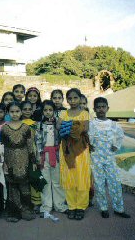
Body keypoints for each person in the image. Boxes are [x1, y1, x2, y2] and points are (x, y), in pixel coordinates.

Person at [88, 97, 130, 219]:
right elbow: (87, 138)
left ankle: (119, 208)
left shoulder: (114, 124)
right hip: (96, 158)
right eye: (98, 107)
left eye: (103, 107)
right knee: (99, 183)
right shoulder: (91, 124)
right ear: (94, 109)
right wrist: (90, 145)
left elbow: (120, 136)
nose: (101, 109)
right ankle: (103, 208)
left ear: (107, 108)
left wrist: (116, 146)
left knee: (115, 182)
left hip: (110, 158)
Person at [57, 88, 90, 220]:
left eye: (75, 98)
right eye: (70, 98)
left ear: (80, 98)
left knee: (81, 177)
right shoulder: (63, 113)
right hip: (66, 149)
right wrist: (75, 126)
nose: (72, 101)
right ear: (67, 100)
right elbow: (58, 126)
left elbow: (86, 128)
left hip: (81, 149)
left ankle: (81, 207)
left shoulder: (84, 113)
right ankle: (71, 206)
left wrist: (68, 126)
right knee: (69, 176)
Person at [0, 102, 36, 222]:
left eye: (17, 111)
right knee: (13, 185)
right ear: (8, 113)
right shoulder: (4, 128)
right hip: (9, 160)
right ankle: (14, 212)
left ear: (21, 112)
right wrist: (4, 162)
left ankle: (26, 210)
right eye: (12, 112)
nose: (15, 114)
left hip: (24, 160)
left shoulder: (26, 127)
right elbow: (2, 146)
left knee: (24, 185)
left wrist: (33, 161)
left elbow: (30, 146)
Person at [35, 100, 68, 219]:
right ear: (42, 111)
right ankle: (46, 206)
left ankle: (60, 205)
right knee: (45, 181)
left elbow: (63, 138)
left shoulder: (58, 124)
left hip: (57, 155)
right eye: (45, 110)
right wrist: (39, 156)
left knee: (57, 181)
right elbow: (38, 141)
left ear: (54, 111)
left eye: (50, 110)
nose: (48, 112)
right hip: (44, 156)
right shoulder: (39, 125)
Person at [21, 101, 41, 214]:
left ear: (32, 110)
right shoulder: (17, 123)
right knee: (23, 178)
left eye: (29, 109)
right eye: (25, 109)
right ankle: (25, 202)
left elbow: (38, 140)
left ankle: (36, 203)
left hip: (33, 152)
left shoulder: (35, 124)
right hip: (20, 153)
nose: (27, 111)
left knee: (34, 177)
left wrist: (37, 155)